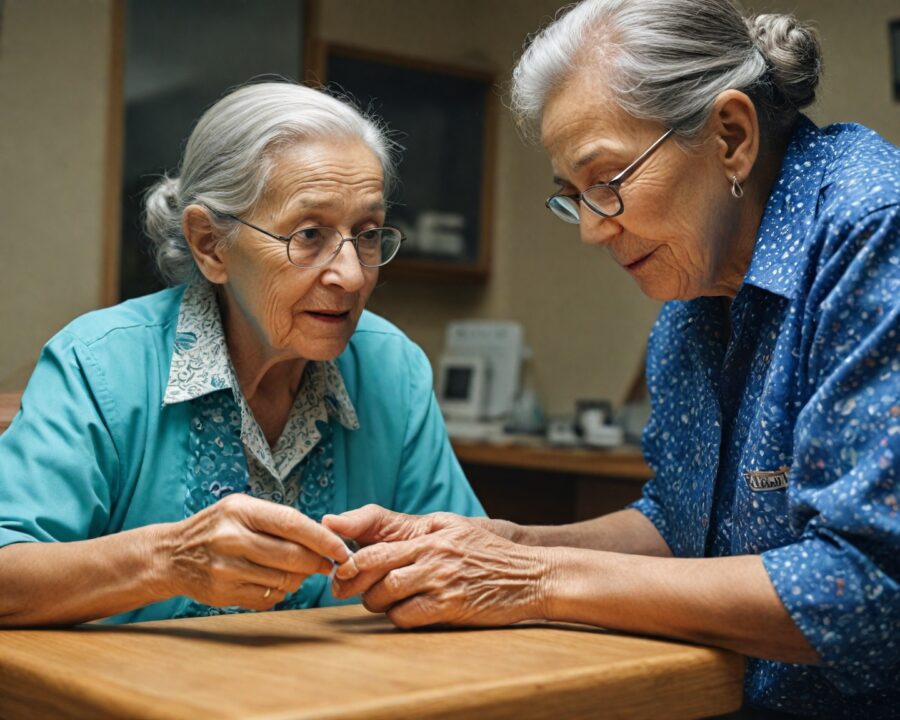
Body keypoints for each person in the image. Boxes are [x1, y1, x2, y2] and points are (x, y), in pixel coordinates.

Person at [323, 1, 899, 717]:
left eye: (608, 181)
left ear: (730, 136)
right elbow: (680, 524)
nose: (594, 230)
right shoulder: (695, 299)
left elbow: (865, 589)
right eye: (573, 197)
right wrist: (509, 540)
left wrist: (531, 577)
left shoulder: (875, 231)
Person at [0, 81, 483, 627]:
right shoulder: (100, 364)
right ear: (210, 244)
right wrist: (171, 559)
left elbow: (463, 563)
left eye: (367, 234)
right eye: (308, 234)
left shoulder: (393, 369)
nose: (351, 275)